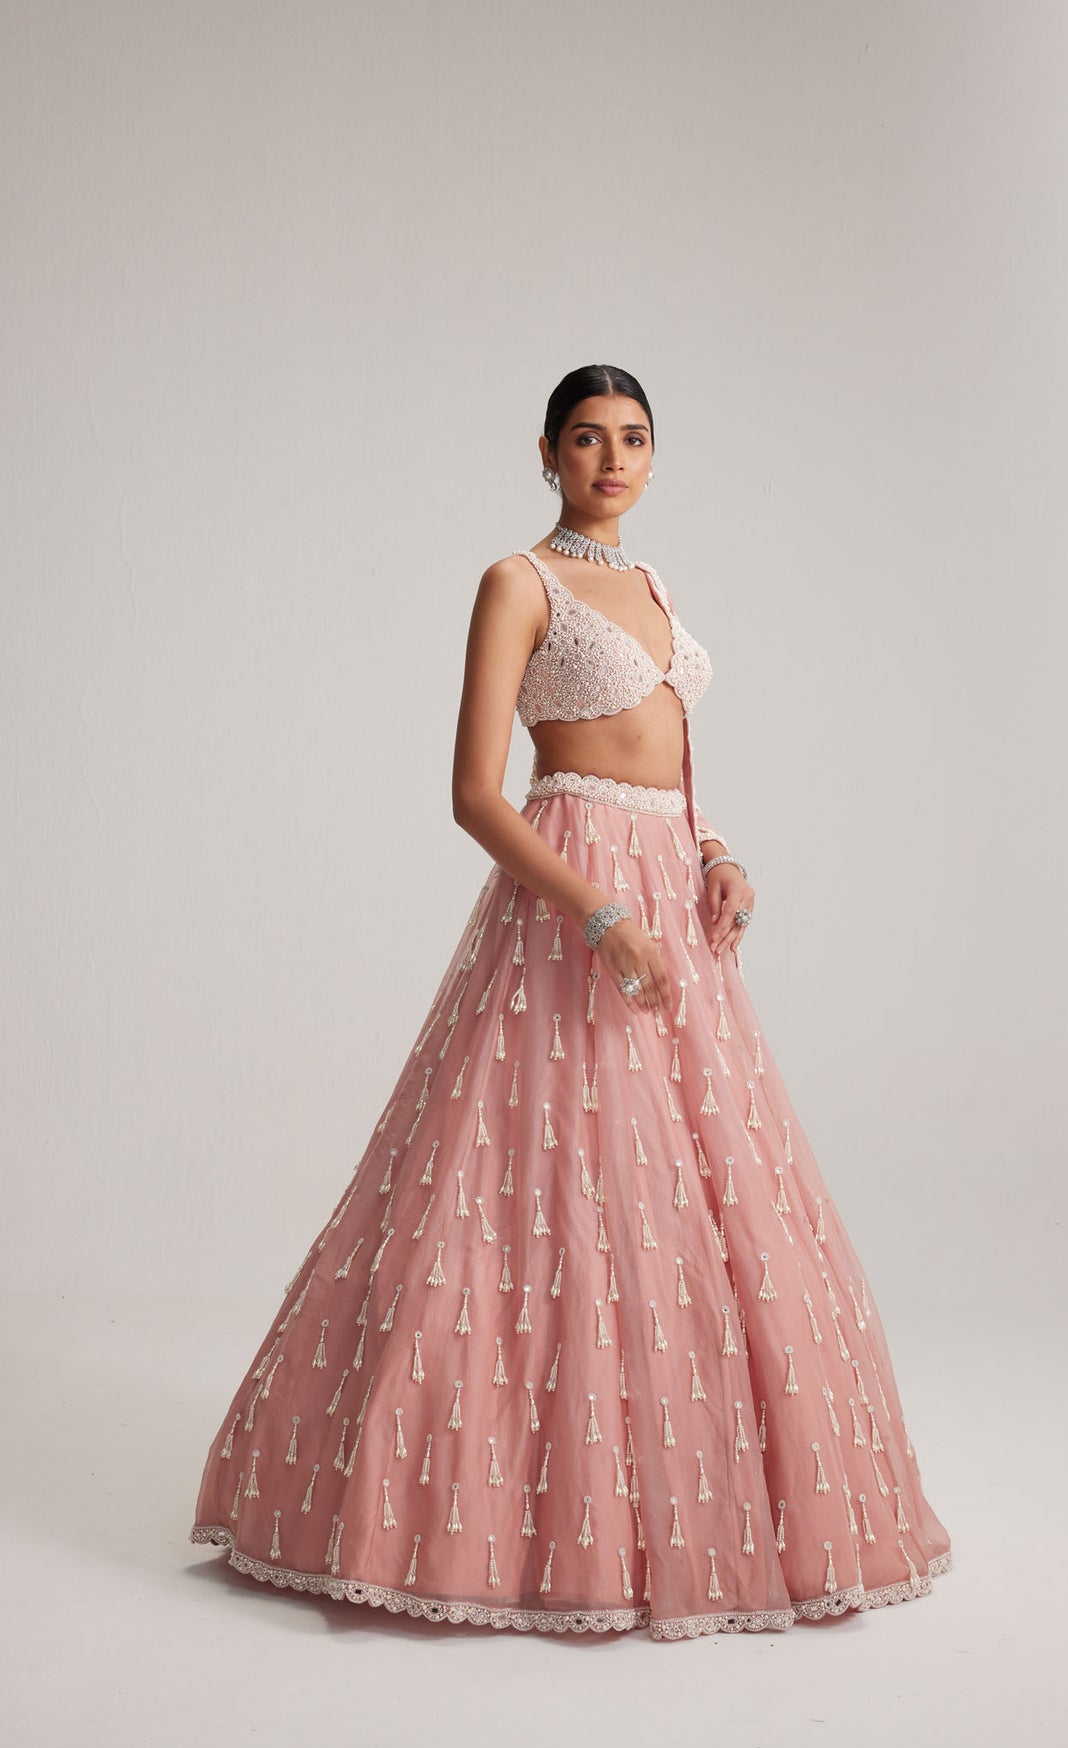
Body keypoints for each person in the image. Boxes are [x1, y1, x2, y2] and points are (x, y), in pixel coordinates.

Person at [189, 363, 953, 1641]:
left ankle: (689, 1506)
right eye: (587, 437)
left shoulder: (653, 586)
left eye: (633, 438)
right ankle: (494, 1512)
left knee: (698, 1197)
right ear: (545, 452)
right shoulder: (517, 581)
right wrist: (597, 913)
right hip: (574, 894)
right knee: (536, 1185)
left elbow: (675, 767)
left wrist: (716, 853)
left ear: (654, 456)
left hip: (671, 897)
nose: (612, 458)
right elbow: (473, 792)